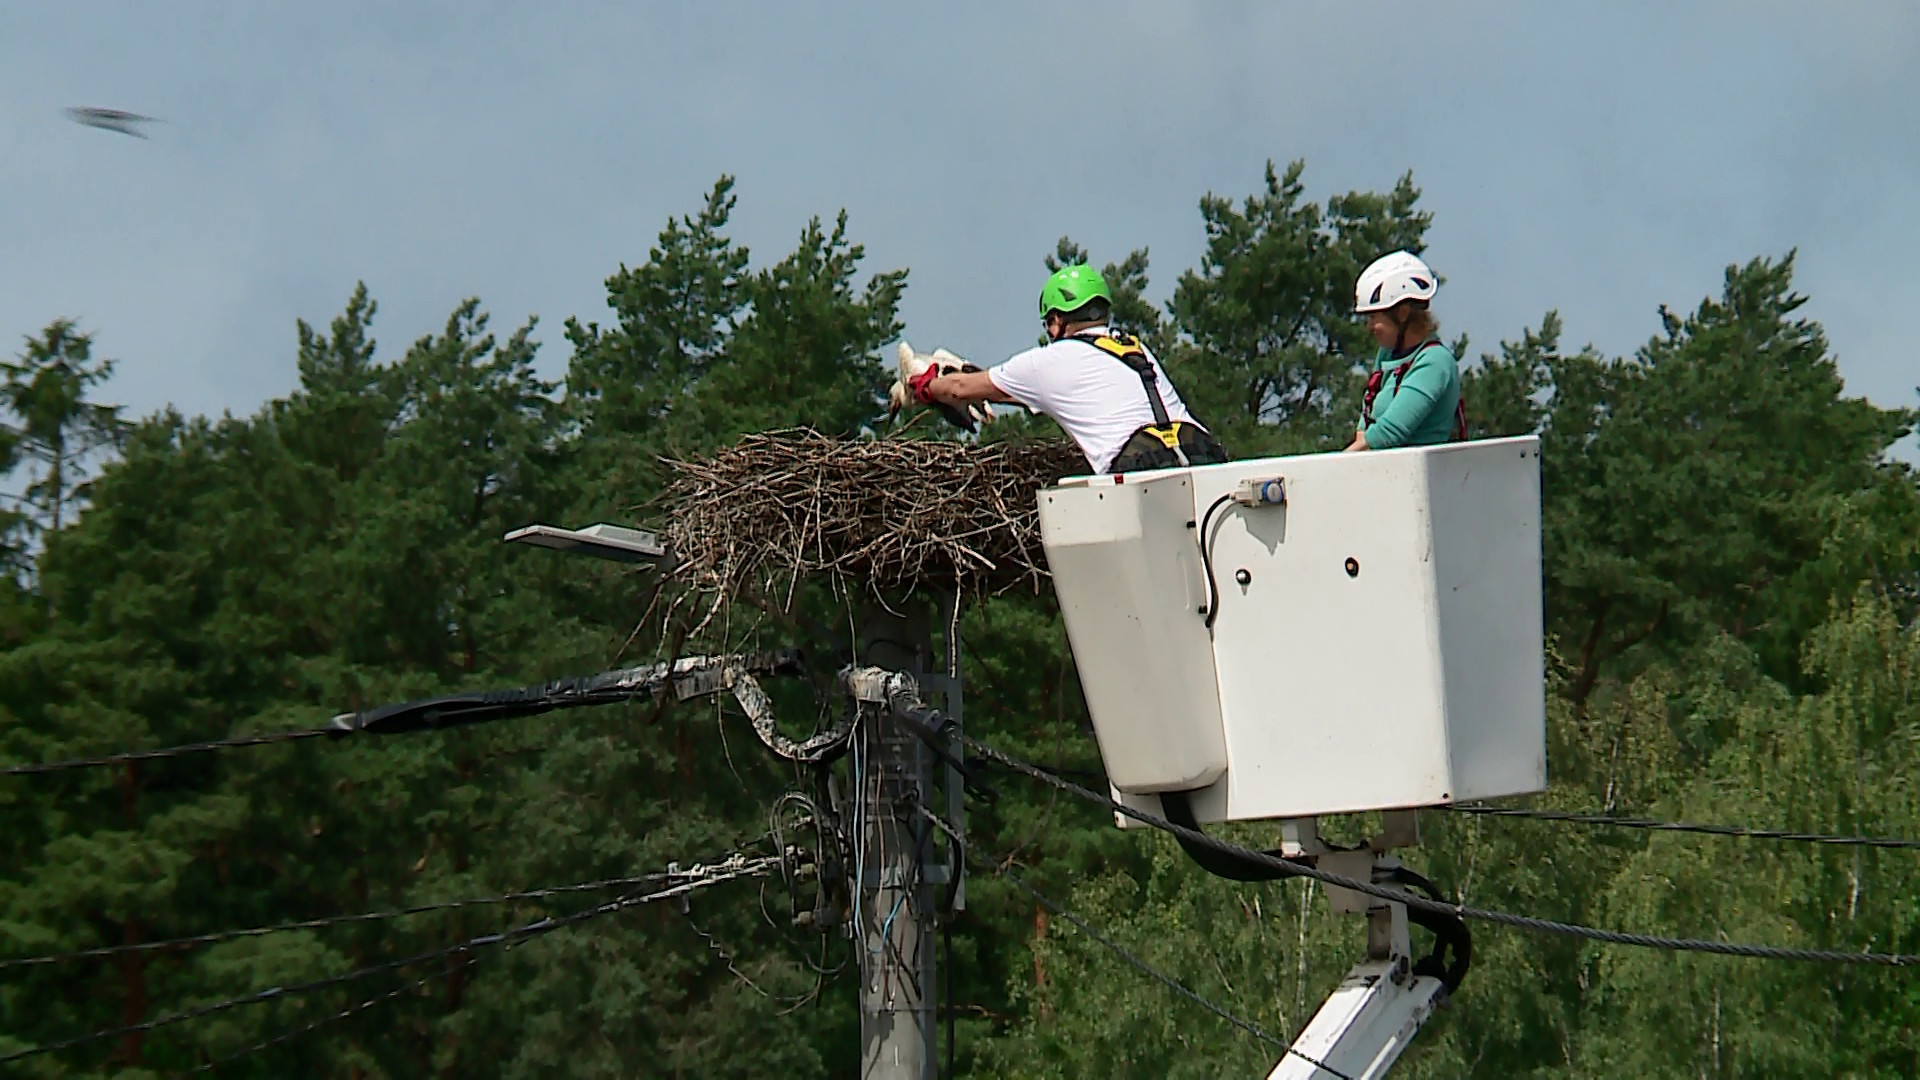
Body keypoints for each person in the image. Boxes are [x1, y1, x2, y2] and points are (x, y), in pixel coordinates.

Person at [907, 265, 1228, 474]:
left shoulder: (1052, 359)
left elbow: (958, 389)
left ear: (1058, 320)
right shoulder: (1134, 349)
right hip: (1202, 455)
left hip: (1139, 471)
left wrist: (922, 386)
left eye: (1049, 322)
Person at [1343, 251, 1466, 452]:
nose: (1369, 327)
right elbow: (1366, 425)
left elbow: (1388, 433)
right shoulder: (1387, 354)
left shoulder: (1434, 362)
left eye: (1374, 317)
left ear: (1402, 313)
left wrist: (1330, 470)